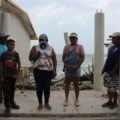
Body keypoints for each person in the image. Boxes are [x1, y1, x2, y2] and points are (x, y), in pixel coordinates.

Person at [29, 34, 57, 110]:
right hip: (38, 71)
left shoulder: (51, 48)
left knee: (47, 88)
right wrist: (38, 52)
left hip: (48, 71)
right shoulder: (35, 48)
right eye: (40, 40)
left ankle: (46, 103)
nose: (41, 41)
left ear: (47, 41)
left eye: (43, 40)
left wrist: (54, 70)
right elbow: (30, 58)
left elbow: (54, 59)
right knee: (39, 88)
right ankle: (40, 103)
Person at [62, 33, 85, 106]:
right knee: (67, 84)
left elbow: (82, 57)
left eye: (73, 38)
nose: (72, 39)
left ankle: (77, 99)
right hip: (68, 68)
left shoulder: (80, 47)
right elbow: (63, 57)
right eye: (71, 38)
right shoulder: (66, 47)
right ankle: (66, 99)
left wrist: (77, 66)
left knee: (76, 84)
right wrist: (66, 65)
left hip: (76, 68)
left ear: (77, 39)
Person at [0, 39, 21, 116]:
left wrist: (17, 74)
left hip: (13, 76)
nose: (12, 46)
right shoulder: (3, 54)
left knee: (12, 90)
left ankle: (12, 103)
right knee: (6, 91)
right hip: (6, 76)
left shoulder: (16, 54)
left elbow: (19, 64)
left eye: (13, 45)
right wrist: (1, 76)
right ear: (7, 45)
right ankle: (7, 107)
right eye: (11, 44)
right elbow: (1, 66)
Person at [101, 32, 120, 109]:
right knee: (108, 87)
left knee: (113, 88)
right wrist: (103, 69)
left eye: (114, 38)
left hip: (115, 73)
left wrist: (114, 71)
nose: (112, 39)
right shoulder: (111, 47)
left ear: (119, 38)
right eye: (112, 37)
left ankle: (115, 102)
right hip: (107, 71)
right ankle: (110, 101)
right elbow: (108, 59)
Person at [0, 32, 9, 104]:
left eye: (6, 37)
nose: (6, 39)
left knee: (7, 86)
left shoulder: (7, 46)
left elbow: (14, 53)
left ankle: (7, 99)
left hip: (7, 70)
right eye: (4, 37)